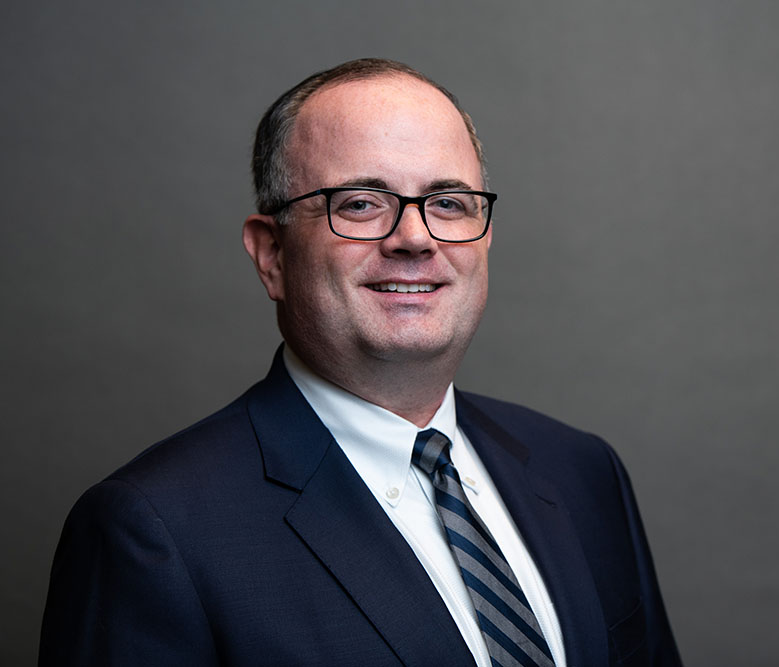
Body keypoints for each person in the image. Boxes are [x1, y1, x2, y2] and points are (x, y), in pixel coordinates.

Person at [39, 58, 683, 667]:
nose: (415, 238)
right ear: (271, 256)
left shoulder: (582, 472)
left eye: (450, 203)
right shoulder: (153, 533)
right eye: (360, 203)